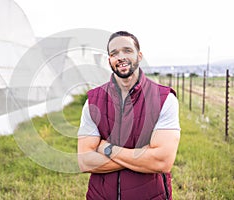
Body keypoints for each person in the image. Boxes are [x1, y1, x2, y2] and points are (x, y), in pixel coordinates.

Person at [77, 31, 180, 200]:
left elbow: (162, 162)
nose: (121, 57)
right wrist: (142, 156)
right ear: (109, 60)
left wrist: (106, 148)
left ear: (139, 56)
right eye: (114, 53)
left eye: (127, 50)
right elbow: (85, 161)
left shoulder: (164, 99)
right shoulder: (92, 101)